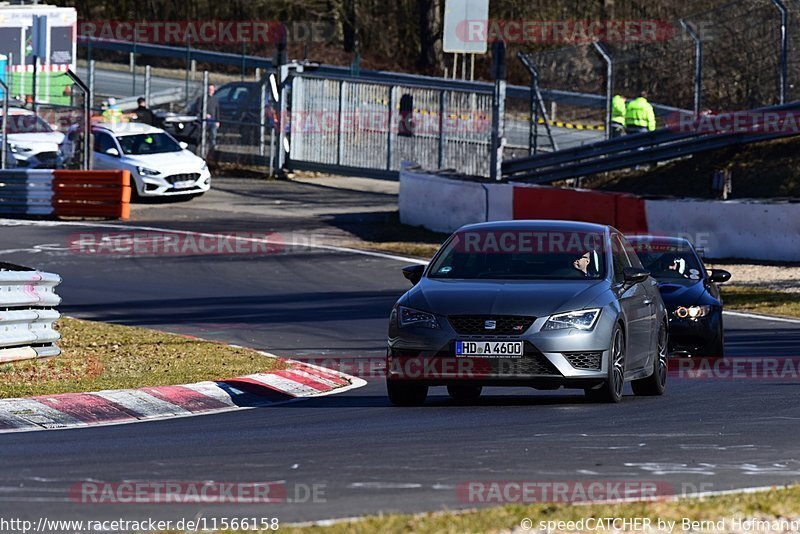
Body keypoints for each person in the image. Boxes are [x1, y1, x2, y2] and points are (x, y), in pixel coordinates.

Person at [203, 84, 220, 154]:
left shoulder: (215, 99)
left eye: (212, 90)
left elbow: (217, 110)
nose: (210, 91)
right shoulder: (203, 99)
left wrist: (218, 121)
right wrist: (205, 114)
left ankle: (212, 149)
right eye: (209, 89)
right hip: (205, 121)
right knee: (204, 136)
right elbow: (198, 109)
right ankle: (203, 149)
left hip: (213, 121)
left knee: (213, 135)